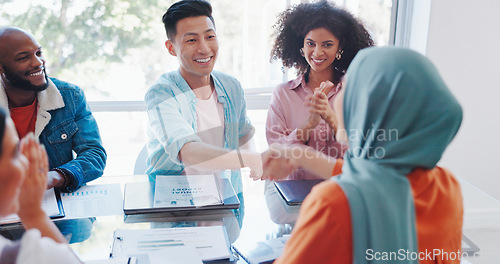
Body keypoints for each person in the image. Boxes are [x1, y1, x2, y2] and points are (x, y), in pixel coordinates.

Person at [263, 47, 464, 263]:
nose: (338, 100)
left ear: (373, 108)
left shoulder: (333, 204)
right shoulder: (446, 187)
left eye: (347, 89)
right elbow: (365, 174)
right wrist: (295, 152)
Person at [264, 0, 373, 224]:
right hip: (293, 200)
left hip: (343, 196)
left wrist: (333, 120)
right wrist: (308, 126)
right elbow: (276, 155)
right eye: (311, 43)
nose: (317, 52)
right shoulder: (283, 94)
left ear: (340, 48)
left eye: (327, 44)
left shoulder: (355, 92)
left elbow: (366, 154)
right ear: (300, 46)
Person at [145, 0, 259, 194]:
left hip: (227, 200)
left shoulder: (231, 86)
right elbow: (188, 152)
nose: (204, 48)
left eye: (210, 36)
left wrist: (256, 160)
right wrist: (251, 159)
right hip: (175, 207)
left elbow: (242, 133)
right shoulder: (161, 93)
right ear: (171, 48)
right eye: (191, 40)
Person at [0, 27, 106, 192]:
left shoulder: (71, 96)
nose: (38, 62)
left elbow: (94, 154)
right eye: (23, 58)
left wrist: (54, 177)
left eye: (39, 53)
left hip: (55, 202)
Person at [0, 107, 81, 263]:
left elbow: (94, 153)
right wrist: (33, 214)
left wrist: (55, 176)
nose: (25, 162)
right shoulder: (33, 256)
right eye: (14, 153)